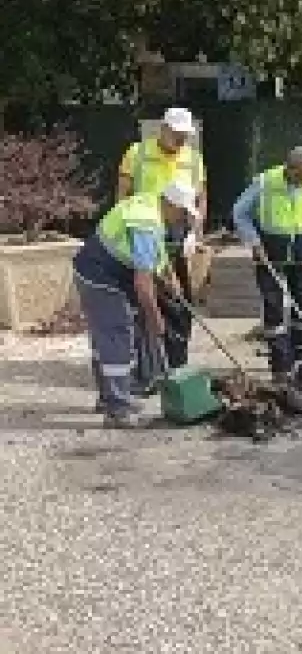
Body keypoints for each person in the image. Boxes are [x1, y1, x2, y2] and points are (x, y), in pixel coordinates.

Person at [72, 182, 198, 428]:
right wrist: (155, 318)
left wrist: (168, 277)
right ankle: (118, 409)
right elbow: (142, 284)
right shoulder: (146, 223)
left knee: (106, 339)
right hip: (101, 279)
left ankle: (110, 398)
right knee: (118, 337)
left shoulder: (152, 205)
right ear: (170, 204)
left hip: (100, 273)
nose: (183, 218)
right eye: (183, 212)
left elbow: (153, 254)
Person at [117, 107, 207, 372]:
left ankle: (176, 364)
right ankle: (148, 365)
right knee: (146, 295)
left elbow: (201, 197)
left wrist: (195, 233)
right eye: (177, 134)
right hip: (143, 229)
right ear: (163, 129)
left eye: (185, 135)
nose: (181, 140)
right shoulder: (138, 153)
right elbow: (122, 194)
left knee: (178, 298)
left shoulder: (193, 157)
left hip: (177, 234)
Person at [231, 146, 302, 378]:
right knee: (274, 306)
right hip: (270, 247)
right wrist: (254, 242)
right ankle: (281, 367)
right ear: (290, 167)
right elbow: (240, 212)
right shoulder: (266, 182)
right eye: (300, 174)